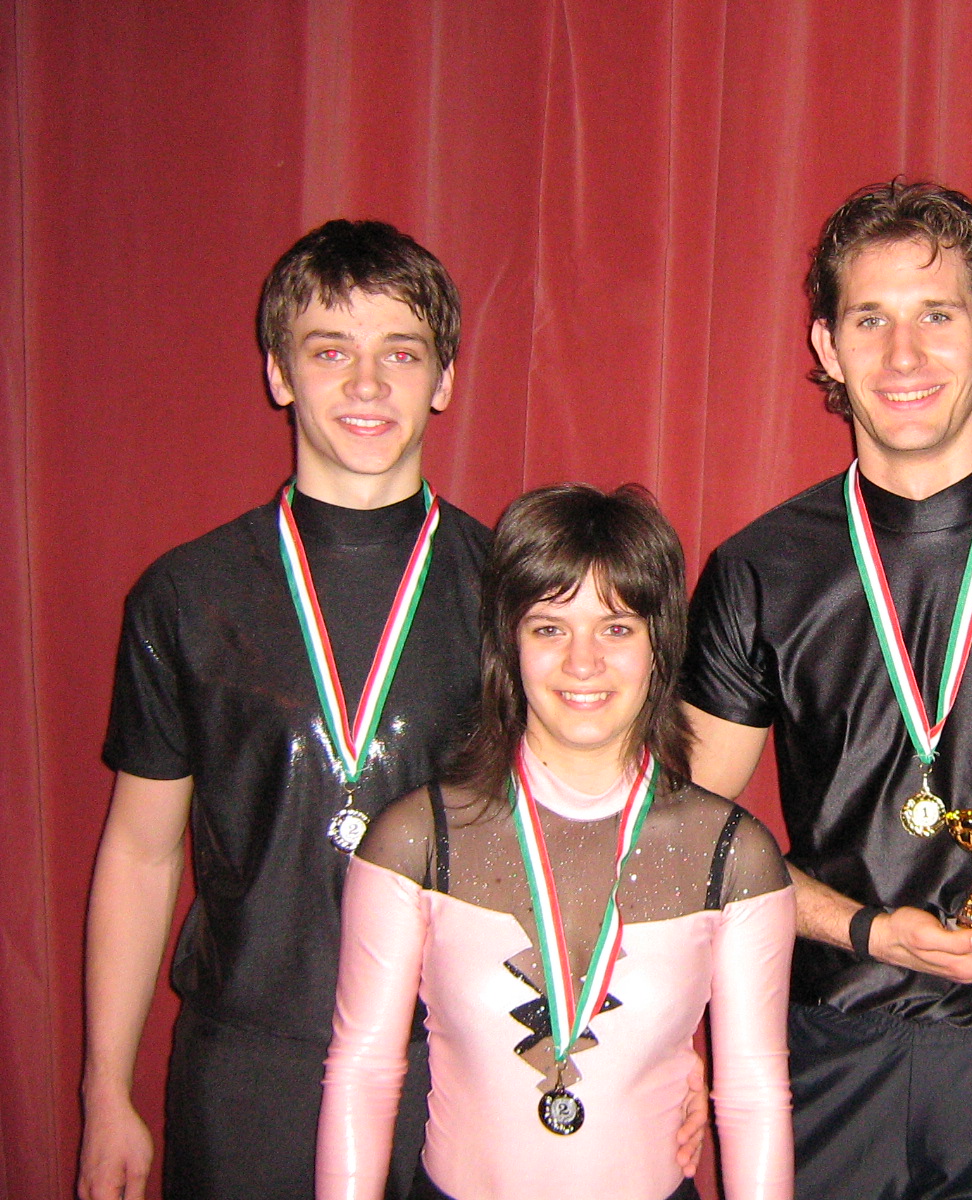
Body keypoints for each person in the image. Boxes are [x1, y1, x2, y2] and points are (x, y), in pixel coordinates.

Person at [682, 180, 972, 1199]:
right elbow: (685, 832)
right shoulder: (759, 571)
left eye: (937, 316)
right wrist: (860, 929)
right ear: (826, 347)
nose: (903, 355)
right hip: (826, 1043)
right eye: (869, 320)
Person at [78, 220, 485, 1200]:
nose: (366, 384)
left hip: (456, 1063)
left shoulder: (515, 591)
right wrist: (105, 1088)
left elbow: (581, 835)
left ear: (443, 380)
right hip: (246, 1069)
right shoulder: (188, 594)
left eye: (401, 353)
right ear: (278, 372)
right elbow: (140, 852)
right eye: (330, 351)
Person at [316, 484, 794, 1200]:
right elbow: (363, 1070)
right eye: (549, 628)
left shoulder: (733, 856)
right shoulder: (417, 839)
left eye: (616, 628)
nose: (582, 662)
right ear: (508, 644)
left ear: (660, 644)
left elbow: (753, 1098)